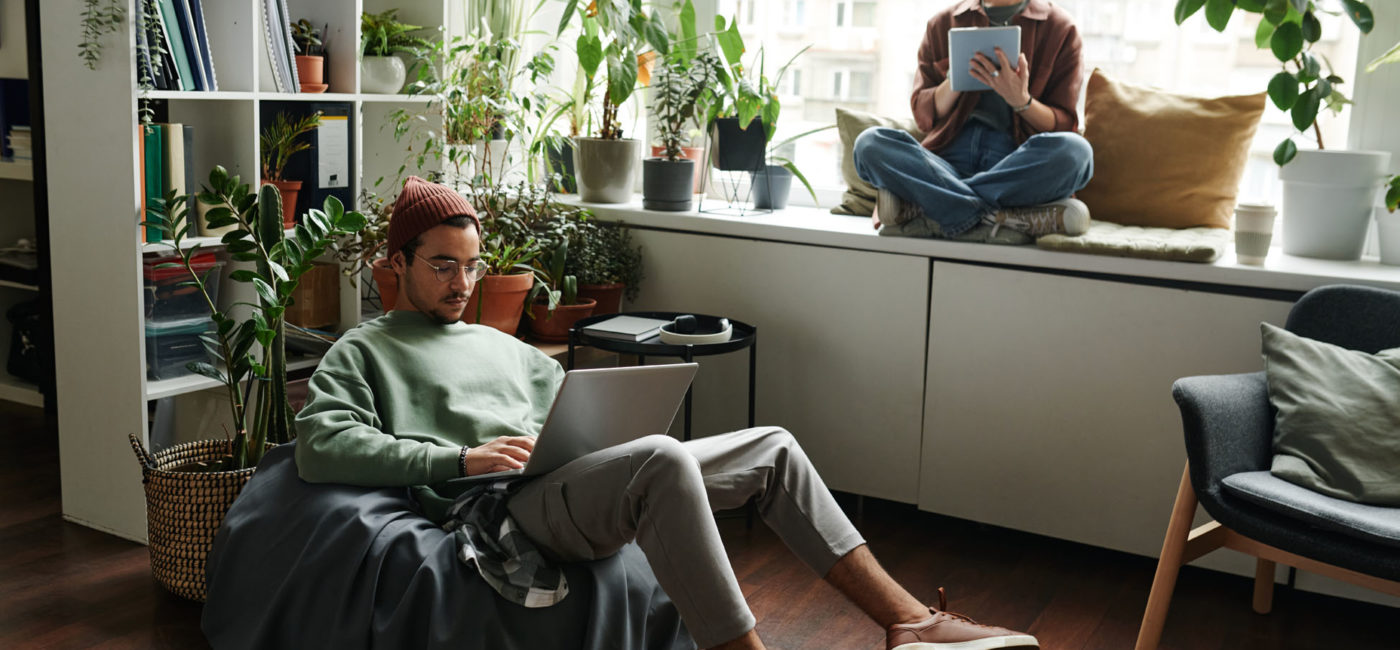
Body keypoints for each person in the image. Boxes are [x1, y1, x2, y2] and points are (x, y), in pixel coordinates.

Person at [294, 176, 1040, 650]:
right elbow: (320, 446)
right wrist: (457, 459)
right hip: (494, 509)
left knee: (772, 446)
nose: (463, 282)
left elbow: (564, 413)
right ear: (396, 265)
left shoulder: (505, 346)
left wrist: (591, 425)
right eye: (442, 265)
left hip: (561, 482)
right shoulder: (364, 350)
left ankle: (909, 621)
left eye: (473, 264)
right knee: (663, 458)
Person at [854, 0, 1094, 245]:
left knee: (1077, 153)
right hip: (944, 164)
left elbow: (1063, 125)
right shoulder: (941, 23)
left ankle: (933, 206)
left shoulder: (1061, 28)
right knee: (869, 143)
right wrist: (954, 82)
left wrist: (1021, 100)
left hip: (1015, 163)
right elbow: (923, 115)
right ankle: (1003, 216)